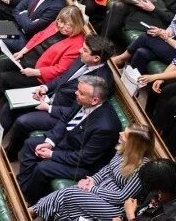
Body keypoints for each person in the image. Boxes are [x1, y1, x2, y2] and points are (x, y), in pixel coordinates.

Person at [17, 75, 121, 204]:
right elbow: (65, 120)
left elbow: (84, 158)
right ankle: (22, 188)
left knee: (42, 168)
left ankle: (30, 201)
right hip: (70, 143)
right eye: (78, 90)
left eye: (81, 93)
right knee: (30, 144)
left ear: (95, 100)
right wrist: (50, 142)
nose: (76, 93)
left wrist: (51, 154)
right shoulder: (82, 99)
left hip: (85, 165)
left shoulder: (106, 127)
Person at [32, 124, 152, 221]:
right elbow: (107, 169)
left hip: (114, 207)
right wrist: (92, 180)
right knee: (67, 205)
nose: (120, 134)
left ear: (133, 145)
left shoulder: (142, 169)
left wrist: (92, 188)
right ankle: (37, 211)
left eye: (124, 135)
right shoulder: (122, 150)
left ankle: (33, 211)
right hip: (99, 190)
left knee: (69, 193)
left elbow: (122, 198)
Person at [0, 5, 88, 109]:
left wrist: (35, 72)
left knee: (4, 78)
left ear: (76, 25)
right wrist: (23, 51)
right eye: (60, 22)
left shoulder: (77, 44)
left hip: (38, 74)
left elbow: (60, 69)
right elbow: (38, 36)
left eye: (68, 25)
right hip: (26, 59)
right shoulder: (56, 24)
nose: (61, 26)